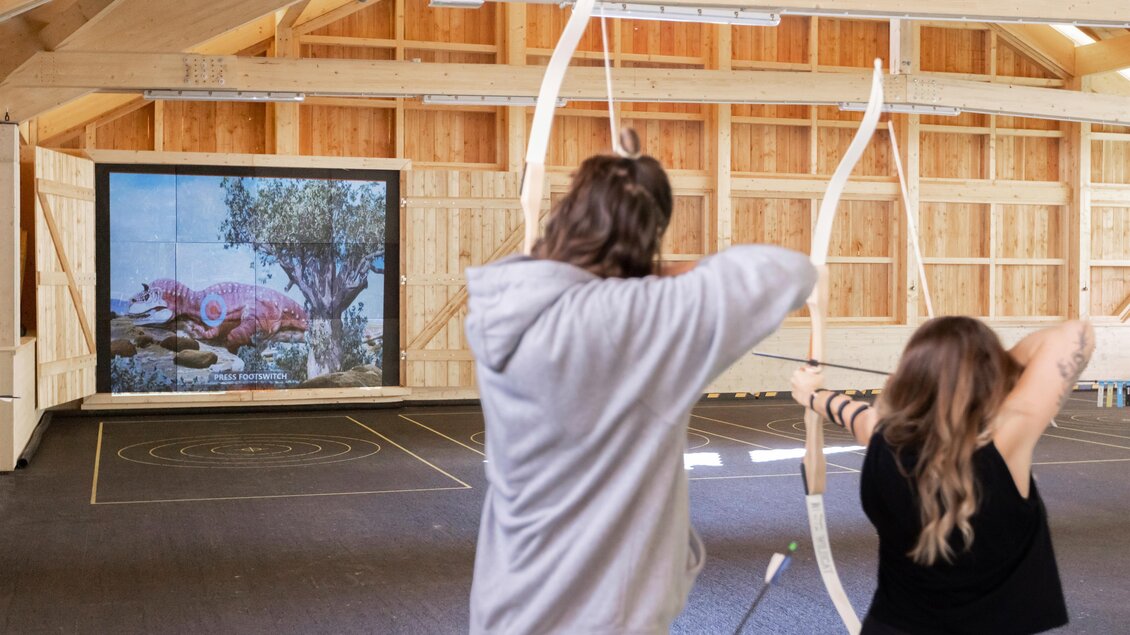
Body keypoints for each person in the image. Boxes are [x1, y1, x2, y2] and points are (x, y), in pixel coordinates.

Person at [463, 131, 817, 635]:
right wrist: (653, 273)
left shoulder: (509, 301)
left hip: (507, 607)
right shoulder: (628, 320)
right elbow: (789, 271)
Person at [791, 316, 1094, 634]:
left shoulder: (884, 438)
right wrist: (991, 366)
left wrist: (812, 394)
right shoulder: (1007, 439)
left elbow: (856, 415)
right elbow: (1076, 332)